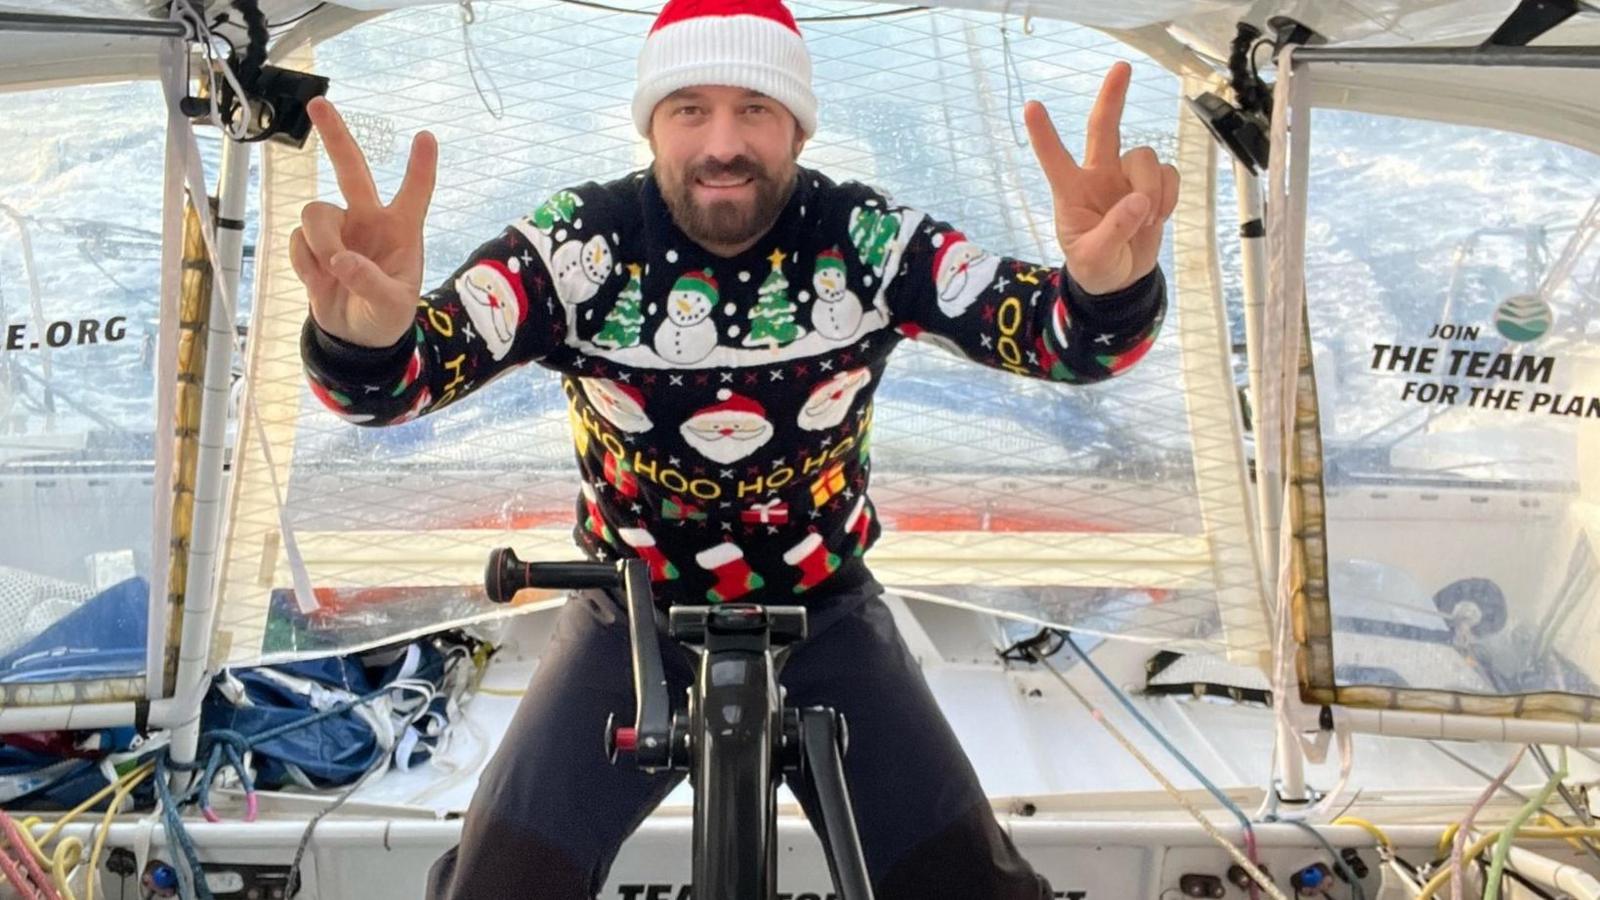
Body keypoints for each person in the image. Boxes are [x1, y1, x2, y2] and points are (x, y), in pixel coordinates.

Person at [292, 0, 1177, 895]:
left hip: (825, 605)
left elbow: (1050, 335)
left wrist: (1109, 289)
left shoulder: (864, 240)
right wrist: (364, 340)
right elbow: (410, 375)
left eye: (754, 107)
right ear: (651, 125)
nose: (723, 143)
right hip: (627, 616)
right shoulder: (577, 245)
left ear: (796, 124)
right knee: (498, 887)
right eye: (690, 109)